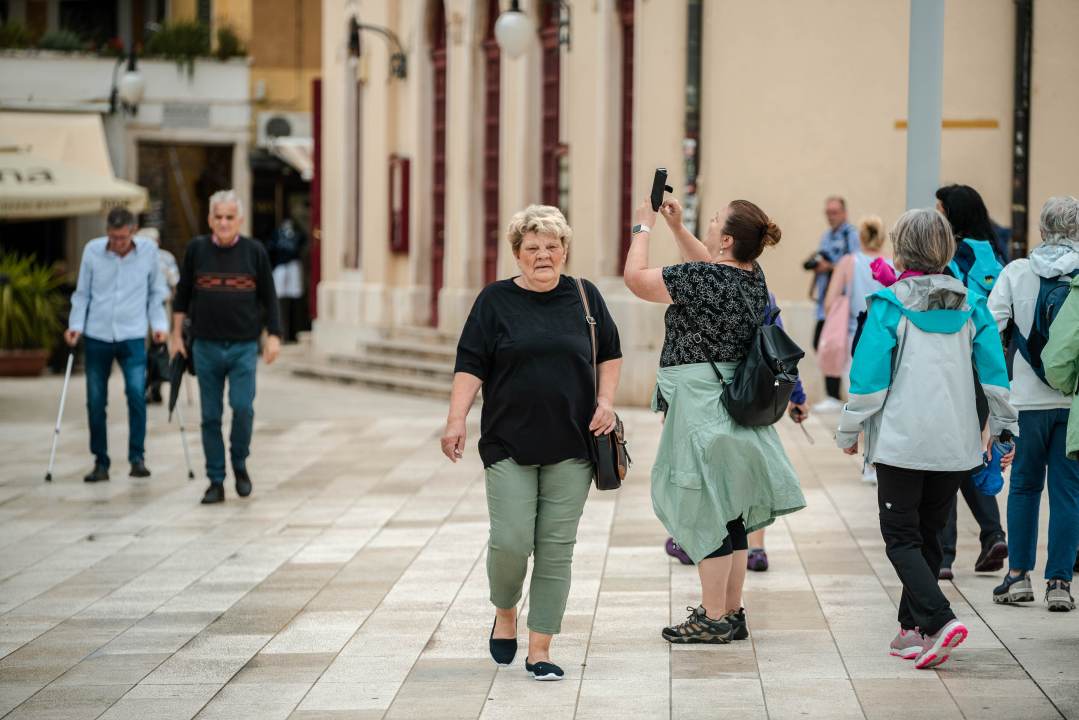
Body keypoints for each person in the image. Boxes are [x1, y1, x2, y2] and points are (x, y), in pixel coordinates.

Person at [440, 205, 622, 681]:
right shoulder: (495, 301)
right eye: (533, 248)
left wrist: (605, 401)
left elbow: (611, 353)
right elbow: (471, 361)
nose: (544, 255)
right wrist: (457, 418)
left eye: (552, 246)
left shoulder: (585, 297)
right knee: (511, 541)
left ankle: (540, 648)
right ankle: (505, 611)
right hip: (508, 442)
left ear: (564, 251)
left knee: (556, 547)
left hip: (573, 443)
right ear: (517, 255)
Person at [836, 208, 1018, 669]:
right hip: (956, 447)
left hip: (901, 444)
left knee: (901, 539)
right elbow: (996, 378)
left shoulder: (887, 306)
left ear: (901, 249)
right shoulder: (974, 305)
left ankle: (939, 619)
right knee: (928, 536)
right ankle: (909, 632)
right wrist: (1003, 428)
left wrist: (848, 431)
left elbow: (868, 384)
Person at [624, 196, 806, 645]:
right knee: (733, 517)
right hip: (732, 404)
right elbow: (709, 267)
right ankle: (731, 612)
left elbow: (636, 281)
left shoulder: (704, 278)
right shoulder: (752, 276)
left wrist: (642, 228)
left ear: (726, 240)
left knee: (706, 510)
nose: (708, 221)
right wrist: (678, 228)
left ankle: (711, 616)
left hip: (701, 408)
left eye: (714, 219)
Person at [661, 288, 809, 572]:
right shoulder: (758, 287)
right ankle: (755, 548)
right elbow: (776, 346)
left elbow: (675, 350)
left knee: (701, 476)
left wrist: (667, 403)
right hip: (748, 397)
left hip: (700, 400)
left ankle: (695, 541)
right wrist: (796, 396)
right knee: (747, 475)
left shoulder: (696, 285)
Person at [171, 190, 281, 504]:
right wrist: (177, 336)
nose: (223, 222)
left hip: (244, 347)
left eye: (229, 217)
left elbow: (269, 297)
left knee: (243, 408)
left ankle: (240, 461)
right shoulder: (196, 250)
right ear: (209, 219)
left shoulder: (255, 251)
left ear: (240, 220)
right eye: (217, 216)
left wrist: (274, 335)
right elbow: (183, 297)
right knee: (210, 416)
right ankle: (216, 480)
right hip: (204, 346)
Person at [997, 196, 1079, 612]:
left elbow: (990, 332)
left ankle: (1017, 578)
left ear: (1042, 230)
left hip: (1025, 401)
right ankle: (1060, 582)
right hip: (1073, 404)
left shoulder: (1015, 272)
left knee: (1025, 488)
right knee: (1068, 492)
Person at [935, 185, 1009, 578]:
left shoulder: (953, 256)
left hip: (955, 365)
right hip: (988, 365)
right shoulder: (996, 255)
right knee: (967, 450)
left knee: (948, 454)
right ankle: (992, 535)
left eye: (940, 209)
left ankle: (944, 555)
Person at [65, 207, 169, 483]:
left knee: (137, 394)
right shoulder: (93, 251)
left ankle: (137, 457)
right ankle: (100, 461)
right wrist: (75, 326)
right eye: (112, 237)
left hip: (132, 334)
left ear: (133, 231)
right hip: (97, 334)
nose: (117, 243)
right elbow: (82, 293)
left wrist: (160, 326)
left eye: (122, 238)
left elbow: (157, 292)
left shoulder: (148, 252)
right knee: (96, 401)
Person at [824, 215, 893, 485]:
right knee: (885, 399)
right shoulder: (892, 263)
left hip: (857, 336)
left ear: (860, 236)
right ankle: (882, 460)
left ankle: (870, 463)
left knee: (862, 397)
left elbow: (830, 301)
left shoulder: (848, 262)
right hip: (887, 337)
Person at [806, 196, 860, 411]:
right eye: (827, 212)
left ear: (844, 212)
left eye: (835, 212)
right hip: (824, 303)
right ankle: (833, 395)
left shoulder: (851, 235)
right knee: (821, 342)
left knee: (833, 346)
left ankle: (835, 395)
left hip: (841, 304)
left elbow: (854, 264)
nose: (831, 217)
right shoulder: (826, 236)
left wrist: (828, 267)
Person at [139, 227, 179, 404]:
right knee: (151, 346)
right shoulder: (137, 257)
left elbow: (175, 284)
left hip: (159, 305)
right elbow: (175, 285)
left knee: (156, 345)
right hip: (143, 307)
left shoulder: (165, 257)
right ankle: (149, 385)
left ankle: (153, 385)